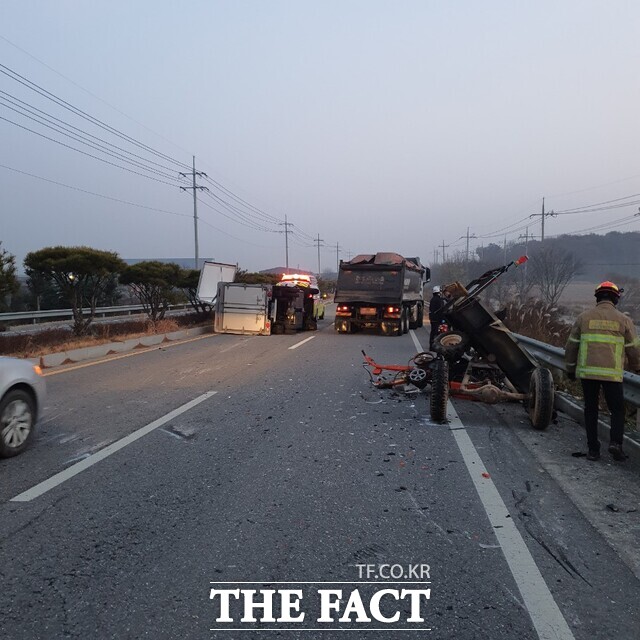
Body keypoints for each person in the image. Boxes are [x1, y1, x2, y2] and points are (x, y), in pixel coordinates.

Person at [565, 281, 640, 461]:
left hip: (588, 374)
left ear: (597, 297)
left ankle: (593, 450)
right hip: (612, 375)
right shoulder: (624, 320)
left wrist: (570, 368)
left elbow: (571, 346)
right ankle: (616, 444)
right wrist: (637, 367)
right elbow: (634, 348)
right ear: (615, 299)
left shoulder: (583, 318)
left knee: (590, 409)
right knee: (617, 410)